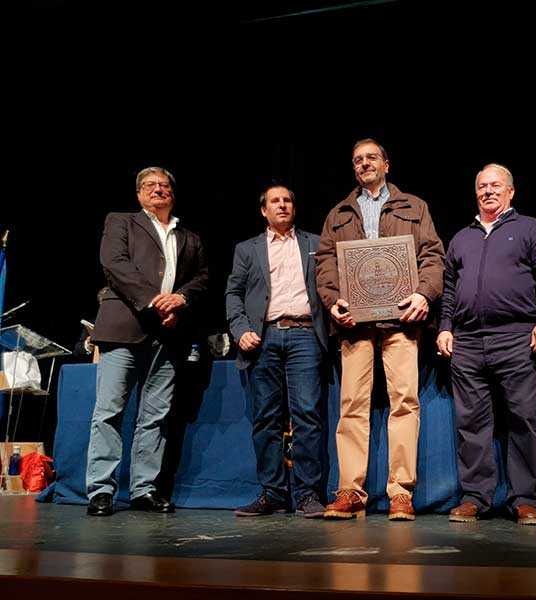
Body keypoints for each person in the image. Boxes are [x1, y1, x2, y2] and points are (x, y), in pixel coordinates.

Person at [316, 139, 444, 520]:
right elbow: (325, 263)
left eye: (371, 158)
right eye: (358, 160)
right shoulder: (339, 212)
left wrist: (424, 294)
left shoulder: (414, 206)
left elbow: (432, 256)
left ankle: (400, 491)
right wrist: (334, 300)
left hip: (401, 320)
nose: (364, 164)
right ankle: (351, 491)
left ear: (387, 164)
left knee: (405, 402)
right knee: (351, 405)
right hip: (354, 325)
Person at [436, 164, 536, 525]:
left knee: (524, 418)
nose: (488, 191)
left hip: (516, 337)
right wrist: (445, 327)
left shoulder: (531, 229)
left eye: (495, 185)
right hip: (467, 341)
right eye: (481, 186)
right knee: (471, 422)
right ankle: (475, 497)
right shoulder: (461, 237)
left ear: (511, 191)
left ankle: (524, 498)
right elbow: (448, 289)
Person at [85, 167, 208, 516]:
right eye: (150, 185)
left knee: (155, 416)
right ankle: (100, 490)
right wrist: (156, 301)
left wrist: (180, 299)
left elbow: (201, 278)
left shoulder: (190, 237)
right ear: (139, 195)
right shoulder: (121, 221)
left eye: (164, 185)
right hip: (125, 327)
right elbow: (115, 265)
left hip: (169, 333)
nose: (158, 190)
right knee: (109, 411)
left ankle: (144, 489)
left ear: (173, 193)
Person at [225, 183, 328, 518]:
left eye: (287, 201)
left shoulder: (316, 244)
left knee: (307, 416)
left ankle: (308, 494)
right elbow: (234, 295)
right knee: (266, 418)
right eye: (275, 201)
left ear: (293, 208)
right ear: (263, 210)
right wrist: (241, 330)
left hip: (305, 335)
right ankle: (273, 494)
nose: (282, 205)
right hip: (264, 337)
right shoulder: (247, 249)